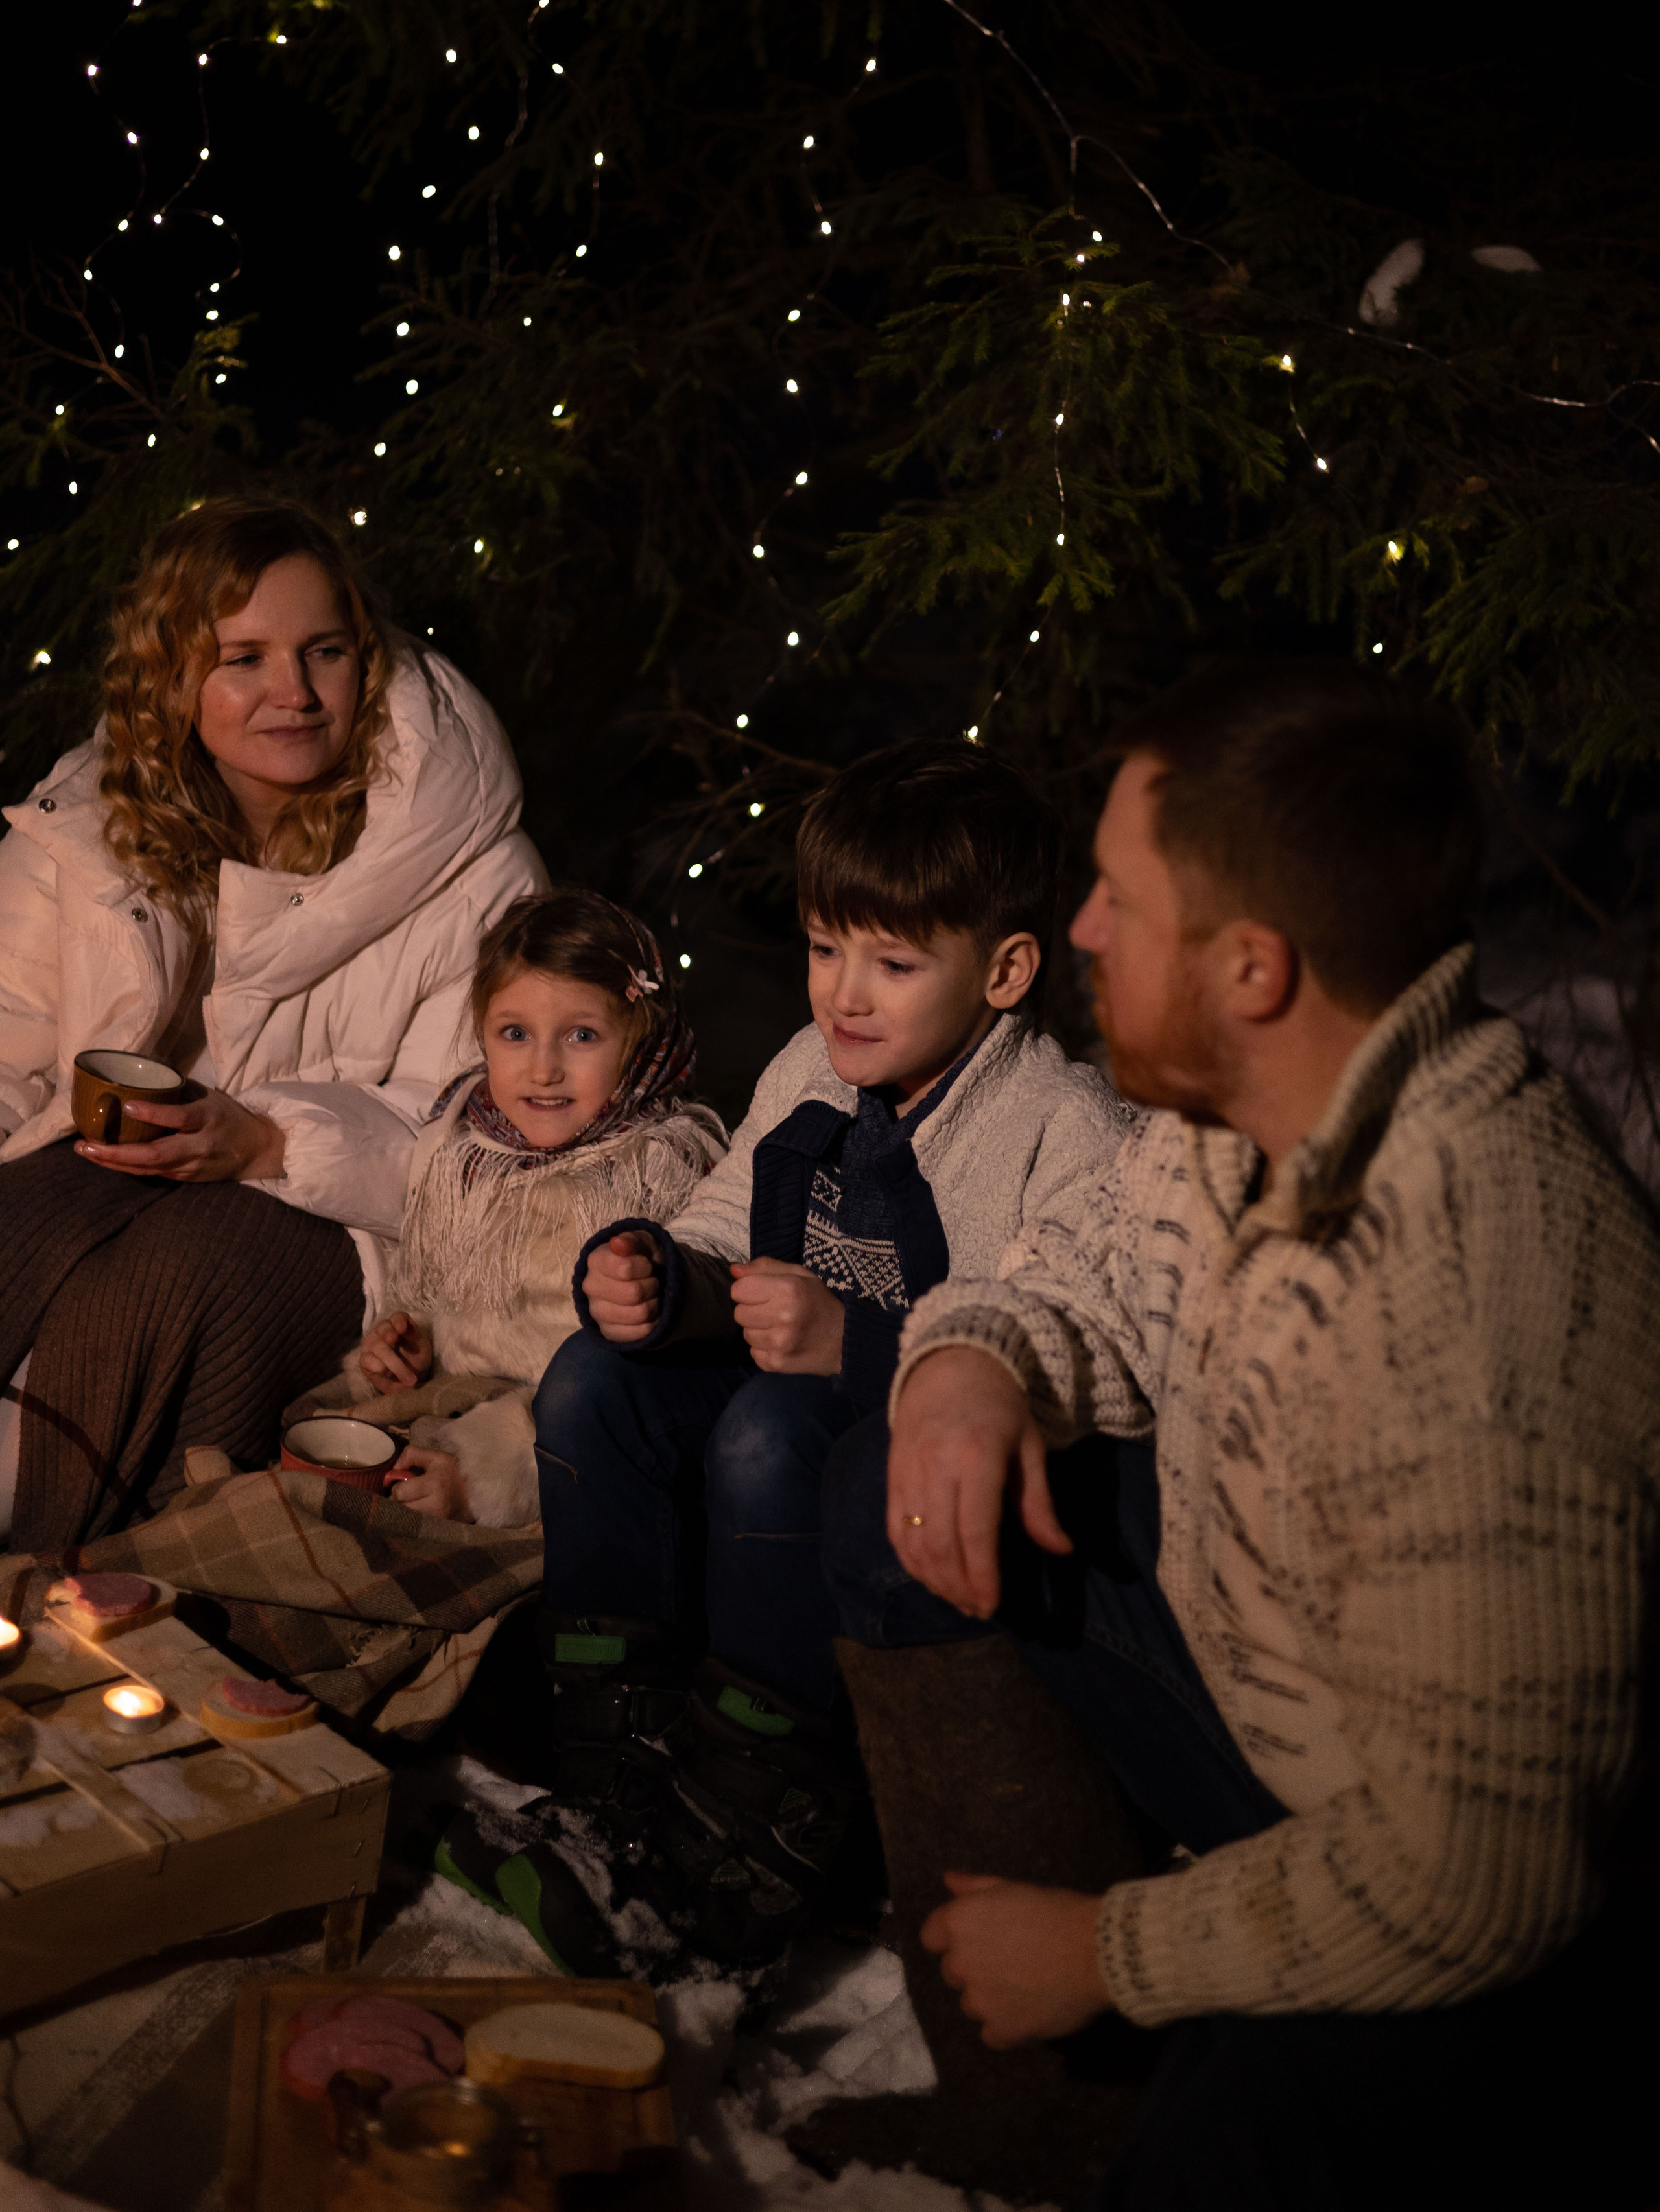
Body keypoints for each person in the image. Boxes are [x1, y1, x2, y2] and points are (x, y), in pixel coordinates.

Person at [821, 659, 1660, 2209]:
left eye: (1121, 904)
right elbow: (1083, 1257)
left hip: (1481, 1933)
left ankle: (1122, 2051)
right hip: (1290, 1703)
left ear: (1251, 967)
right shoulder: (1252, 1109)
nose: (1073, 929)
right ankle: (1035, 2110)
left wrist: (1105, 1952)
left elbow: (1478, 1872)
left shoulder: (1474, 1310)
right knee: (886, 1480)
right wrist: (969, 1364)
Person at [466, 740, 1132, 1972]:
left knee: (765, 1436)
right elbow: (728, 1212)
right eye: (827, 950)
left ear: (1006, 970)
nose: (845, 995)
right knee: (591, 1383)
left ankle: (763, 1812)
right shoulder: (815, 1064)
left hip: (909, 1418)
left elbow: (1047, 1338)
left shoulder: (1058, 1126)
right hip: (784, 1370)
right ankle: (620, 1754)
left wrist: (853, 1340)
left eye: (892, 961)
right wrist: (662, 1274)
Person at [0, 497, 545, 1551]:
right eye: (243, 657)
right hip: (111, 1180)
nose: (292, 693)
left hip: (348, 1235)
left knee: (170, 1276)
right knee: (23, 1217)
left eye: (324, 651)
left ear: (365, 660)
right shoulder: (86, 831)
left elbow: (487, 1146)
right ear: (174, 674)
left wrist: (270, 1140)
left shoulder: (475, 870)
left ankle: (47, 1585)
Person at [341, 889, 726, 1527]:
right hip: (447, 1406)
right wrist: (405, 1348)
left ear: (641, 1039)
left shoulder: (661, 1167)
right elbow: (432, 1291)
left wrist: (488, 1483)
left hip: (556, 1462)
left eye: (581, 1035)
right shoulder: (463, 1148)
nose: (543, 1069)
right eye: (515, 1034)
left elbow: (645, 1389)